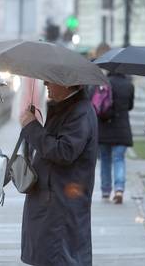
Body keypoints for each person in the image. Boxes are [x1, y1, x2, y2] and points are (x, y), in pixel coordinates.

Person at [19, 81, 98, 266]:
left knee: (59, 258)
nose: (46, 82)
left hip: (61, 204)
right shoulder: (66, 108)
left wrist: (32, 127)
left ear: (67, 83)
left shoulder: (80, 112)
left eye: (51, 79)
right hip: (52, 200)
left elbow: (63, 152)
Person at [97, 72, 134, 203]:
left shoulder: (102, 83)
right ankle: (119, 189)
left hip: (104, 129)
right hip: (121, 129)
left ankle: (106, 190)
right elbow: (130, 106)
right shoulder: (129, 85)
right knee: (119, 159)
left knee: (105, 160)